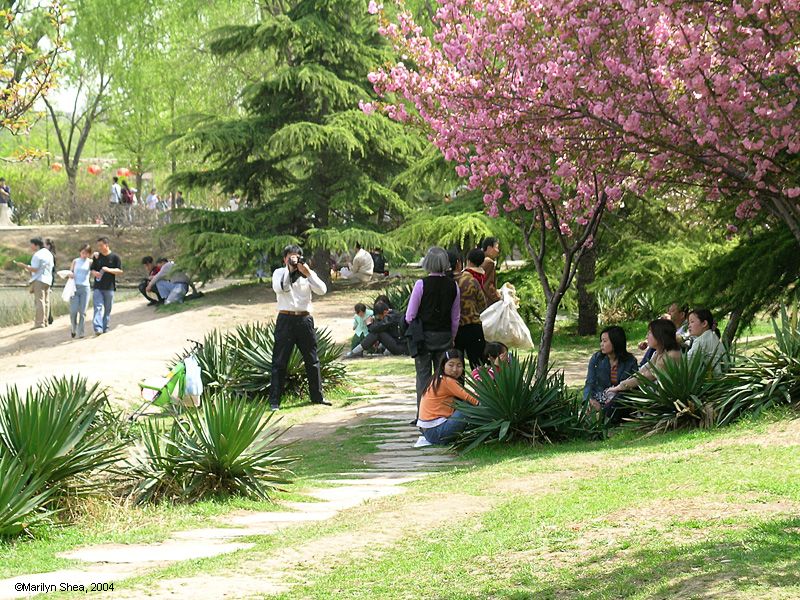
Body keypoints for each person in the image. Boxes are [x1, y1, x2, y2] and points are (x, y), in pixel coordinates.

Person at [269, 244, 331, 410]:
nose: (294, 260)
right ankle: (274, 401)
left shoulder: (307, 273)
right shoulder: (279, 273)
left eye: (296, 257)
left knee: (312, 360)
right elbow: (281, 288)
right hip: (285, 319)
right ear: (284, 259)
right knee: (279, 361)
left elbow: (322, 290)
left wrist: (308, 273)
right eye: (290, 257)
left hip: (304, 319)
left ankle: (317, 397)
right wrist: (290, 271)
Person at [405, 246, 461, 418]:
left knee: (423, 377)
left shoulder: (421, 284)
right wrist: (452, 337)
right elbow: (455, 317)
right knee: (444, 379)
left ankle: (423, 416)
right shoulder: (453, 286)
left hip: (423, 338)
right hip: (444, 336)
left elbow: (410, 315)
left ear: (427, 263)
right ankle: (443, 414)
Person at [416, 349, 479, 445]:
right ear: (443, 365)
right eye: (451, 365)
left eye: (459, 366)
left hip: (429, 432)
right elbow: (472, 399)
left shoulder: (438, 378)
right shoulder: (447, 381)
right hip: (436, 433)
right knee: (467, 405)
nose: (455, 369)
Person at [608, 319, 682, 394]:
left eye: (649, 333)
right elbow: (643, 370)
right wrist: (622, 384)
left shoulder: (670, 355)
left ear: (660, 335)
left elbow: (647, 377)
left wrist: (620, 387)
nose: (646, 336)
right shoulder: (660, 352)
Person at [584, 326, 639, 422]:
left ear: (615, 342)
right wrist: (589, 399)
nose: (601, 344)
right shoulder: (597, 359)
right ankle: (600, 415)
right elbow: (590, 382)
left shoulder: (630, 361)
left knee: (621, 398)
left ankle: (603, 416)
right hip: (600, 397)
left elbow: (631, 388)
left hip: (619, 400)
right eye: (601, 341)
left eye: (605, 341)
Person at [454, 248, 487, 370]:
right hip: (473, 326)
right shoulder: (472, 280)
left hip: (454, 329)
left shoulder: (448, 282)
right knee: (478, 366)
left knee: (456, 366)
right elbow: (483, 303)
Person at [13, 238, 54, 329]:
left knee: (39, 301)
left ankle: (39, 323)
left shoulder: (37, 255)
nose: (30, 246)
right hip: (48, 279)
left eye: (31, 245)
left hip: (39, 279)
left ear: (36, 245)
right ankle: (45, 321)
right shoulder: (48, 253)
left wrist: (23, 266)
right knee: (46, 301)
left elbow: (34, 269)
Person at [90, 237, 123, 335]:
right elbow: (92, 269)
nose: (99, 248)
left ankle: (105, 327)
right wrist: (95, 273)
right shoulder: (97, 257)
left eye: (101, 245)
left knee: (107, 309)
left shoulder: (115, 257)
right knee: (98, 307)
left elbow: (119, 271)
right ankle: (98, 328)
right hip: (98, 287)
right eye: (98, 246)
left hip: (109, 287)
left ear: (106, 245)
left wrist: (108, 269)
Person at [687, 308, 727, 376]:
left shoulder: (701, 340)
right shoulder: (713, 336)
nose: (689, 326)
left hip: (712, 379)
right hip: (723, 376)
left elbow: (687, 361)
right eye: (689, 323)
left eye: (692, 322)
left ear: (704, 323)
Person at [68, 244, 92, 338]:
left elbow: (96, 268)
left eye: (86, 253)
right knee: (73, 311)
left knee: (83, 311)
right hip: (74, 287)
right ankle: (73, 327)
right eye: (83, 253)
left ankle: (81, 332)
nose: (84, 255)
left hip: (85, 287)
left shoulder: (90, 262)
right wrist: (70, 274)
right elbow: (70, 272)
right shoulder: (75, 261)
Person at [480, 237, 501, 306]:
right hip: (486, 303)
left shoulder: (480, 260)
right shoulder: (489, 262)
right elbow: (488, 285)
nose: (498, 251)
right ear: (489, 248)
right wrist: (498, 297)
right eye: (496, 247)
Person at [44, 238, 57, 325]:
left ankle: (49, 317)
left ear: (48, 245)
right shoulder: (50, 255)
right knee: (46, 298)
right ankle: (49, 317)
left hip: (48, 278)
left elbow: (52, 270)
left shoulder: (50, 255)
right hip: (49, 278)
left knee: (46, 299)